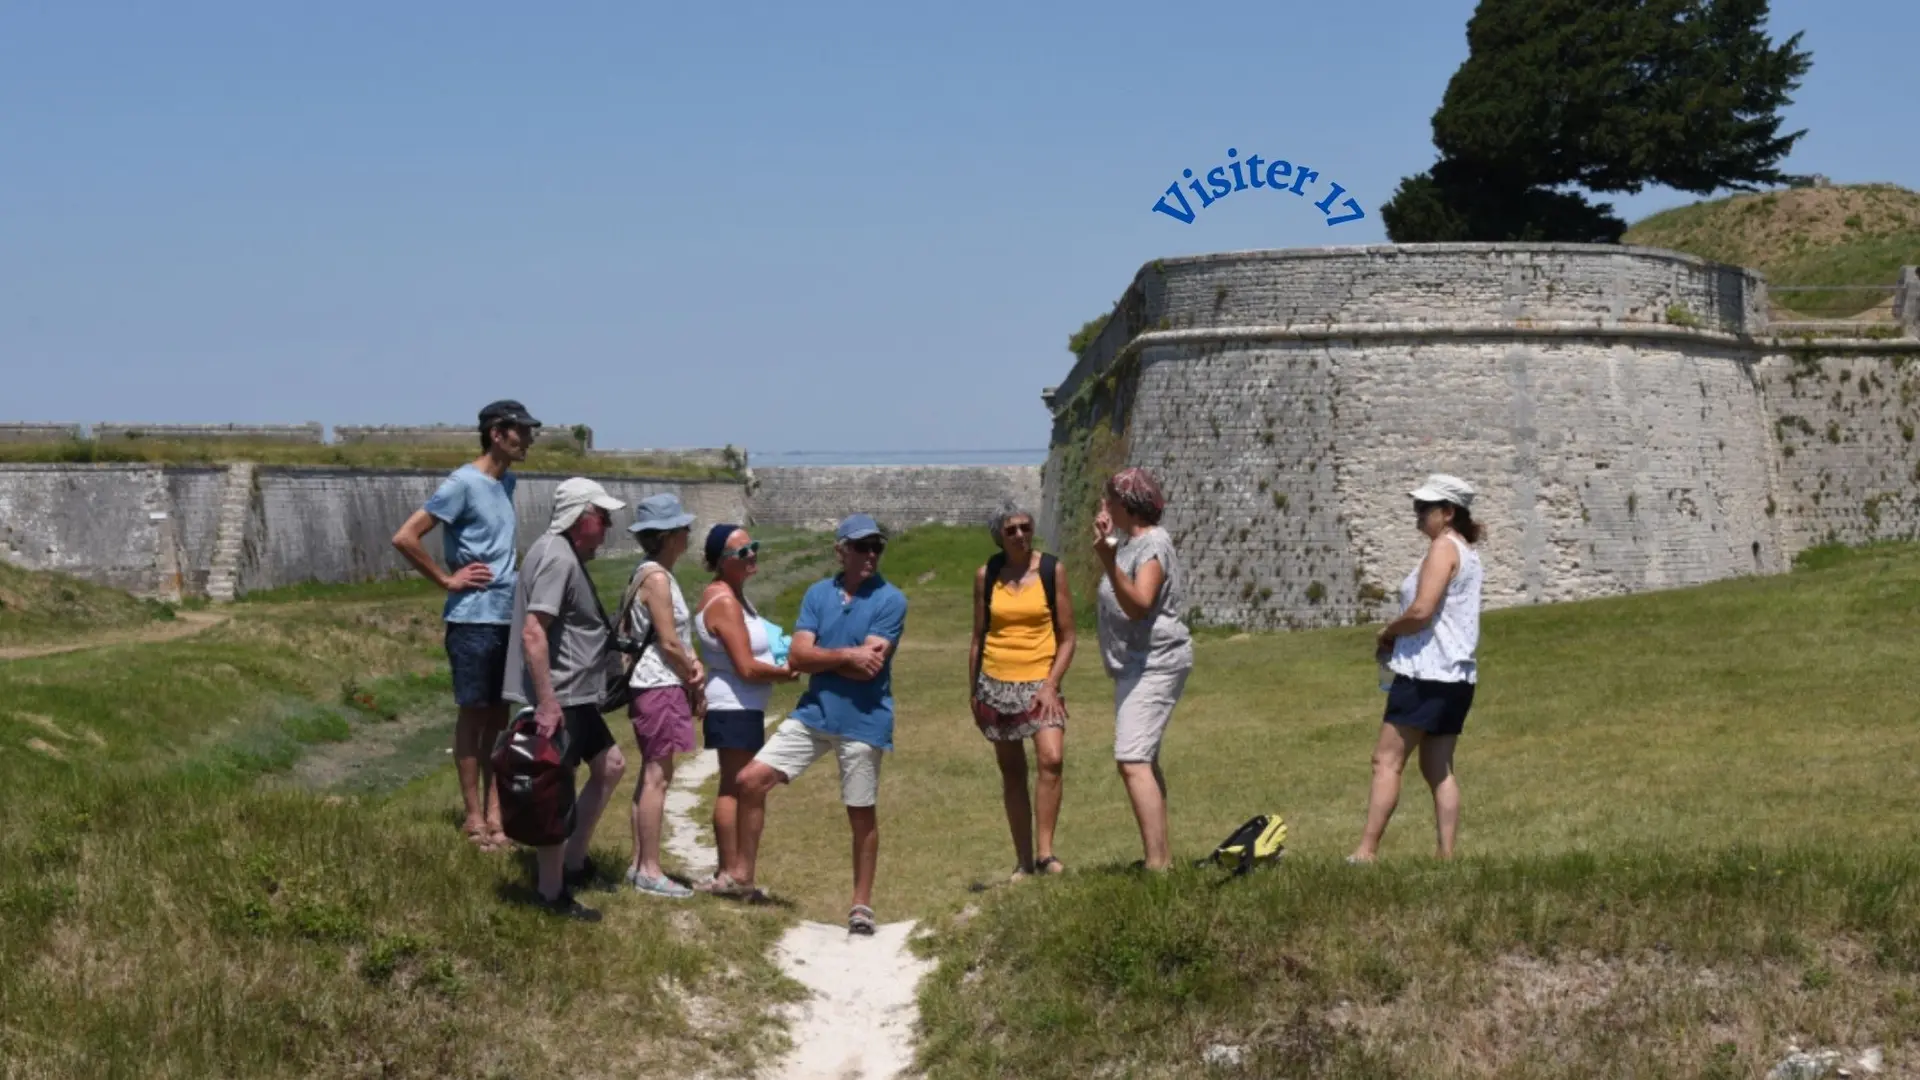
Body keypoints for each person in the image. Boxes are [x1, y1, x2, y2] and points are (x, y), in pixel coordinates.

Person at [734, 514, 907, 935]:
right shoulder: (817, 594)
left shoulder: (891, 600)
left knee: (860, 812)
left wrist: (823, 659)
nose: (870, 555)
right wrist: (846, 657)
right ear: (840, 550)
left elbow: (869, 667)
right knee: (750, 780)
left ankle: (861, 905)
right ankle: (742, 879)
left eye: (876, 547)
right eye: (862, 546)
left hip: (864, 720)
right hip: (813, 714)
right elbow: (798, 658)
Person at [390, 399, 541, 853]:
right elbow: (406, 535)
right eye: (523, 431)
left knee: (500, 716)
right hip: (472, 619)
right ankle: (473, 817)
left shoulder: (506, 483)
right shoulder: (462, 483)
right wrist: (445, 579)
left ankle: (497, 817)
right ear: (498, 433)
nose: (529, 439)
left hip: (503, 616)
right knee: (474, 715)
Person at [501, 477, 631, 920]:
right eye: (604, 518)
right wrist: (547, 702)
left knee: (610, 764)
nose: (609, 526)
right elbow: (534, 630)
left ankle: (573, 861)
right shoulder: (558, 559)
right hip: (563, 697)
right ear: (583, 519)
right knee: (555, 789)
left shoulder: (555, 551)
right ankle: (551, 892)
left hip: (576, 695)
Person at [1350, 474, 1484, 864]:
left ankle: (1366, 851)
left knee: (1386, 760)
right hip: (1457, 675)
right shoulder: (1468, 553)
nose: (1417, 514)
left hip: (1426, 673)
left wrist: (1388, 631)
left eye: (1424, 508)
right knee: (1439, 767)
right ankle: (1446, 855)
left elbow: (1422, 611)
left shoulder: (1443, 547)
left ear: (1448, 513)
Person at [1092, 467, 1193, 872]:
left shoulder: (1152, 543)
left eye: (1109, 498)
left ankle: (1157, 866)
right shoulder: (1130, 543)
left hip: (1157, 662)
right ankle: (1160, 858)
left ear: (1127, 504)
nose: (1103, 504)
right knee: (1143, 760)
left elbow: (1139, 603)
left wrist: (1106, 558)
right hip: (1135, 665)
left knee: (1132, 760)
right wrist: (1108, 547)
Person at [970, 499, 1076, 881]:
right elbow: (978, 637)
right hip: (996, 681)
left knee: (1052, 759)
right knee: (1012, 772)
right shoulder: (987, 576)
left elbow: (1068, 636)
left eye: (1025, 527)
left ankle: (1046, 854)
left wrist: (1051, 684)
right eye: (1011, 529)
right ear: (999, 535)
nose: (1020, 535)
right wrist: (973, 692)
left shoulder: (1051, 570)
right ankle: (1023, 862)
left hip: (1040, 680)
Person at [691, 523, 800, 898]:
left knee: (736, 785)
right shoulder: (723, 600)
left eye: (753, 546)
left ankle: (733, 872)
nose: (752, 554)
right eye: (742, 551)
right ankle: (730, 873)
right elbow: (746, 667)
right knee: (735, 787)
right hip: (734, 704)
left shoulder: (732, 594)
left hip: (741, 704)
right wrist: (787, 674)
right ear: (721, 561)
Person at [622, 493, 703, 900]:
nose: (689, 534)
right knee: (658, 778)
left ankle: (639, 864)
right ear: (670, 535)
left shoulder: (648, 573)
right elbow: (669, 642)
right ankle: (650, 869)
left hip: (651, 684)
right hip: (659, 685)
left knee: (649, 775)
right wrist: (693, 675)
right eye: (683, 528)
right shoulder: (656, 579)